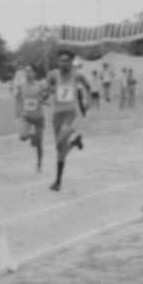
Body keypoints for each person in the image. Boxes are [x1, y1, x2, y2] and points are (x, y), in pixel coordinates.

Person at [46, 50, 90, 191]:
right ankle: (58, 182)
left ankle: (73, 138)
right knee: (60, 149)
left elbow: (87, 86)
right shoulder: (53, 74)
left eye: (66, 60)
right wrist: (47, 92)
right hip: (56, 115)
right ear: (58, 62)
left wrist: (87, 100)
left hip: (70, 114)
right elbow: (47, 88)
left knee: (60, 141)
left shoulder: (77, 75)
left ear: (71, 62)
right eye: (61, 60)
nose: (63, 63)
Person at [18, 64, 50, 172]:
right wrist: (19, 111)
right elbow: (19, 99)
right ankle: (32, 136)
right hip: (27, 117)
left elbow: (47, 97)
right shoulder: (22, 86)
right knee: (22, 137)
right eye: (26, 71)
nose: (27, 73)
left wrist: (43, 100)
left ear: (34, 73)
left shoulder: (40, 85)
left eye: (30, 71)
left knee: (39, 144)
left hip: (38, 118)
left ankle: (39, 164)